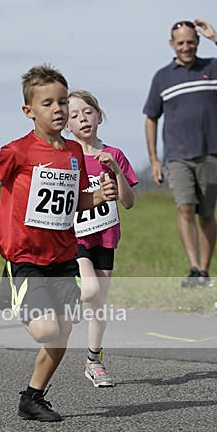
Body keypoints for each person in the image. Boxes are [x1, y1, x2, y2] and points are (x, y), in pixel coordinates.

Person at [0, 63, 118, 422]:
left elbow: (72, 201)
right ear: (29, 111)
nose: (58, 109)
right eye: (48, 103)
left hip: (63, 254)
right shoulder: (18, 151)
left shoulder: (73, 152)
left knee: (63, 332)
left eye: (62, 101)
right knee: (47, 330)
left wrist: (98, 197)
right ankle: (11, 288)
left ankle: (32, 398)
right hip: (25, 256)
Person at [143, 19, 217, 286]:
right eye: (180, 43)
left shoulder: (212, 68)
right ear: (171, 45)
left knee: (206, 213)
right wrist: (155, 159)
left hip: (213, 152)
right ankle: (193, 267)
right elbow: (151, 118)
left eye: (191, 42)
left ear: (197, 42)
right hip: (177, 155)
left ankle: (204, 270)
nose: (186, 47)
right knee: (185, 207)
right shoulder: (162, 78)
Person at [67, 90, 138, 387]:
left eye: (87, 112)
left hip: (106, 236)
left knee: (100, 303)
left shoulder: (115, 155)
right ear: (66, 126)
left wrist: (116, 171)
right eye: (74, 115)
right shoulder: (67, 156)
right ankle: (65, 299)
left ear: (99, 116)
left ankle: (93, 362)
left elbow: (129, 202)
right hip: (77, 236)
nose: (82, 119)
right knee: (89, 290)